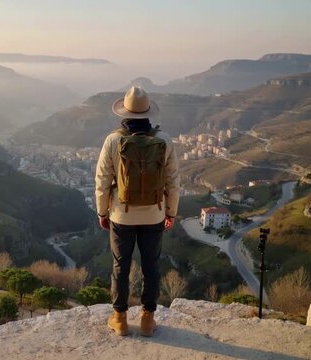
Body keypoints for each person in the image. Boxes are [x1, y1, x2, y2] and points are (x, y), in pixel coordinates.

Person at [95, 86, 180, 337]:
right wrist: (171, 213)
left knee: (121, 265)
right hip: (154, 214)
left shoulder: (113, 140)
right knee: (151, 265)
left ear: (124, 112)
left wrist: (102, 212)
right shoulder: (164, 140)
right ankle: (147, 319)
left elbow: (102, 180)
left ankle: (120, 319)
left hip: (121, 215)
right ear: (148, 113)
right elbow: (173, 181)